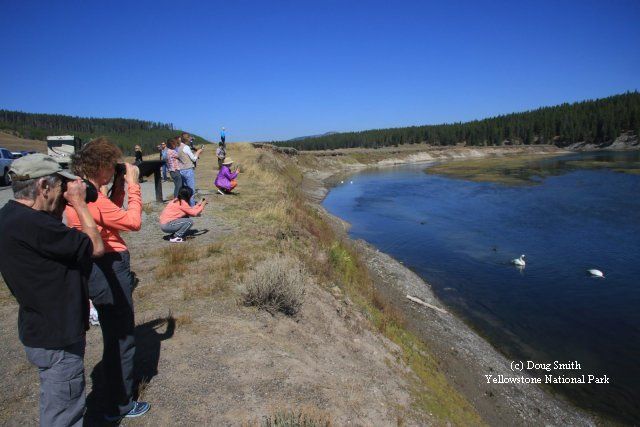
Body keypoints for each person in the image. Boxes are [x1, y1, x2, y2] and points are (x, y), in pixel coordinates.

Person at [0, 154, 104, 427]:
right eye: (61, 185)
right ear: (43, 187)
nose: (65, 192)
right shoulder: (37, 226)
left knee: (55, 399)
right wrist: (80, 204)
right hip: (57, 335)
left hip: (37, 327)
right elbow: (95, 247)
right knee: (64, 413)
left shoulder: (10, 217)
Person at [65, 137, 150, 421]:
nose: (114, 171)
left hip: (97, 266)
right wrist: (135, 186)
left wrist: (119, 186)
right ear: (100, 166)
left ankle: (115, 396)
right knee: (121, 336)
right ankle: (121, 404)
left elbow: (107, 216)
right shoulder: (92, 198)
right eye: (110, 166)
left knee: (114, 334)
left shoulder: (85, 193)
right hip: (109, 267)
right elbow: (132, 222)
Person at [177, 132, 203, 206]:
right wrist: (198, 152)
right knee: (191, 190)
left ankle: (185, 205)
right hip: (188, 169)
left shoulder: (178, 147)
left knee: (184, 189)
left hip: (181, 170)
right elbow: (194, 159)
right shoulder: (186, 147)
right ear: (188, 139)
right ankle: (191, 206)